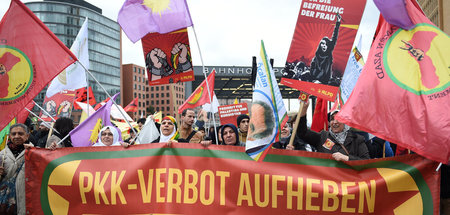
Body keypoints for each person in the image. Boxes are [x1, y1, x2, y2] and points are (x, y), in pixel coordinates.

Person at [296, 101, 370, 161]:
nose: (335, 122)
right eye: (332, 119)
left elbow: (366, 162)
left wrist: (347, 158)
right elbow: (302, 133)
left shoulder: (357, 139)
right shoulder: (322, 137)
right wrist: (304, 109)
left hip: (347, 179)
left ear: (346, 122)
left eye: (339, 119)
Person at [0, 124, 34, 215]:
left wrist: (52, 150)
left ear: (27, 135)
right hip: (6, 203)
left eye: (20, 133)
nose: (17, 136)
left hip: (27, 201)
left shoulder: (36, 153)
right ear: (9, 136)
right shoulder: (2, 155)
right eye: (13, 134)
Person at [310, 14, 342, 86]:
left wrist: (338, 23)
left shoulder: (328, 54)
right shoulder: (316, 58)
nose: (324, 46)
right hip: (314, 82)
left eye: (326, 44)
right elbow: (311, 70)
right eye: (322, 44)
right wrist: (314, 80)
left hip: (325, 82)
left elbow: (334, 37)